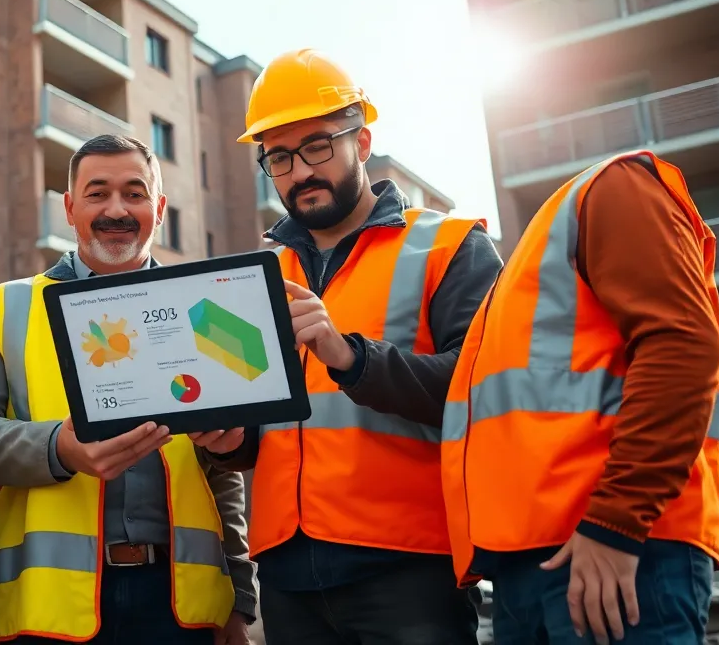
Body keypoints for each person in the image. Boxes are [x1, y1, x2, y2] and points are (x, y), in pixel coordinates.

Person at [191, 48, 501, 644]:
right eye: (278, 157)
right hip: (287, 571)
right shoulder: (256, 276)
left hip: (411, 565)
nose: (300, 171)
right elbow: (266, 428)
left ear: (361, 142)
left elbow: (484, 388)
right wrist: (231, 442)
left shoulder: (448, 247)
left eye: (317, 146)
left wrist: (351, 357)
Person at [0, 134, 256, 645]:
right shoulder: (5, 308)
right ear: (69, 207)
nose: (116, 209)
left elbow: (222, 472)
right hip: (43, 613)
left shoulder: (202, 309)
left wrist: (240, 596)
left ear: (160, 207)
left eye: (134, 193)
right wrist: (57, 448)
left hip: (184, 610)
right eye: (97, 193)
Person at [441, 149, 719, 645]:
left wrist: (615, 520)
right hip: (532, 568)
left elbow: (681, 345)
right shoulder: (520, 276)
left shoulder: (612, 189)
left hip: (611, 550)